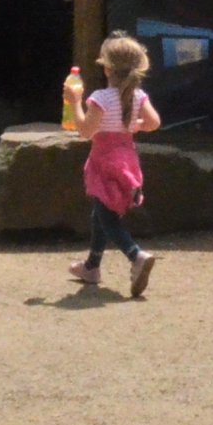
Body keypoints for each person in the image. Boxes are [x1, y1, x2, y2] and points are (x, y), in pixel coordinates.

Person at [68, 33, 160, 298]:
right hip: (127, 158)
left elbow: (86, 130)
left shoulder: (100, 98)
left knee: (106, 217)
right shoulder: (139, 96)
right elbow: (154, 123)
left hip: (104, 160)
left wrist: (75, 104)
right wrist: (132, 125)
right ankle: (92, 266)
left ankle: (136, 255)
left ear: (107, 68)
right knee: (100, 213)